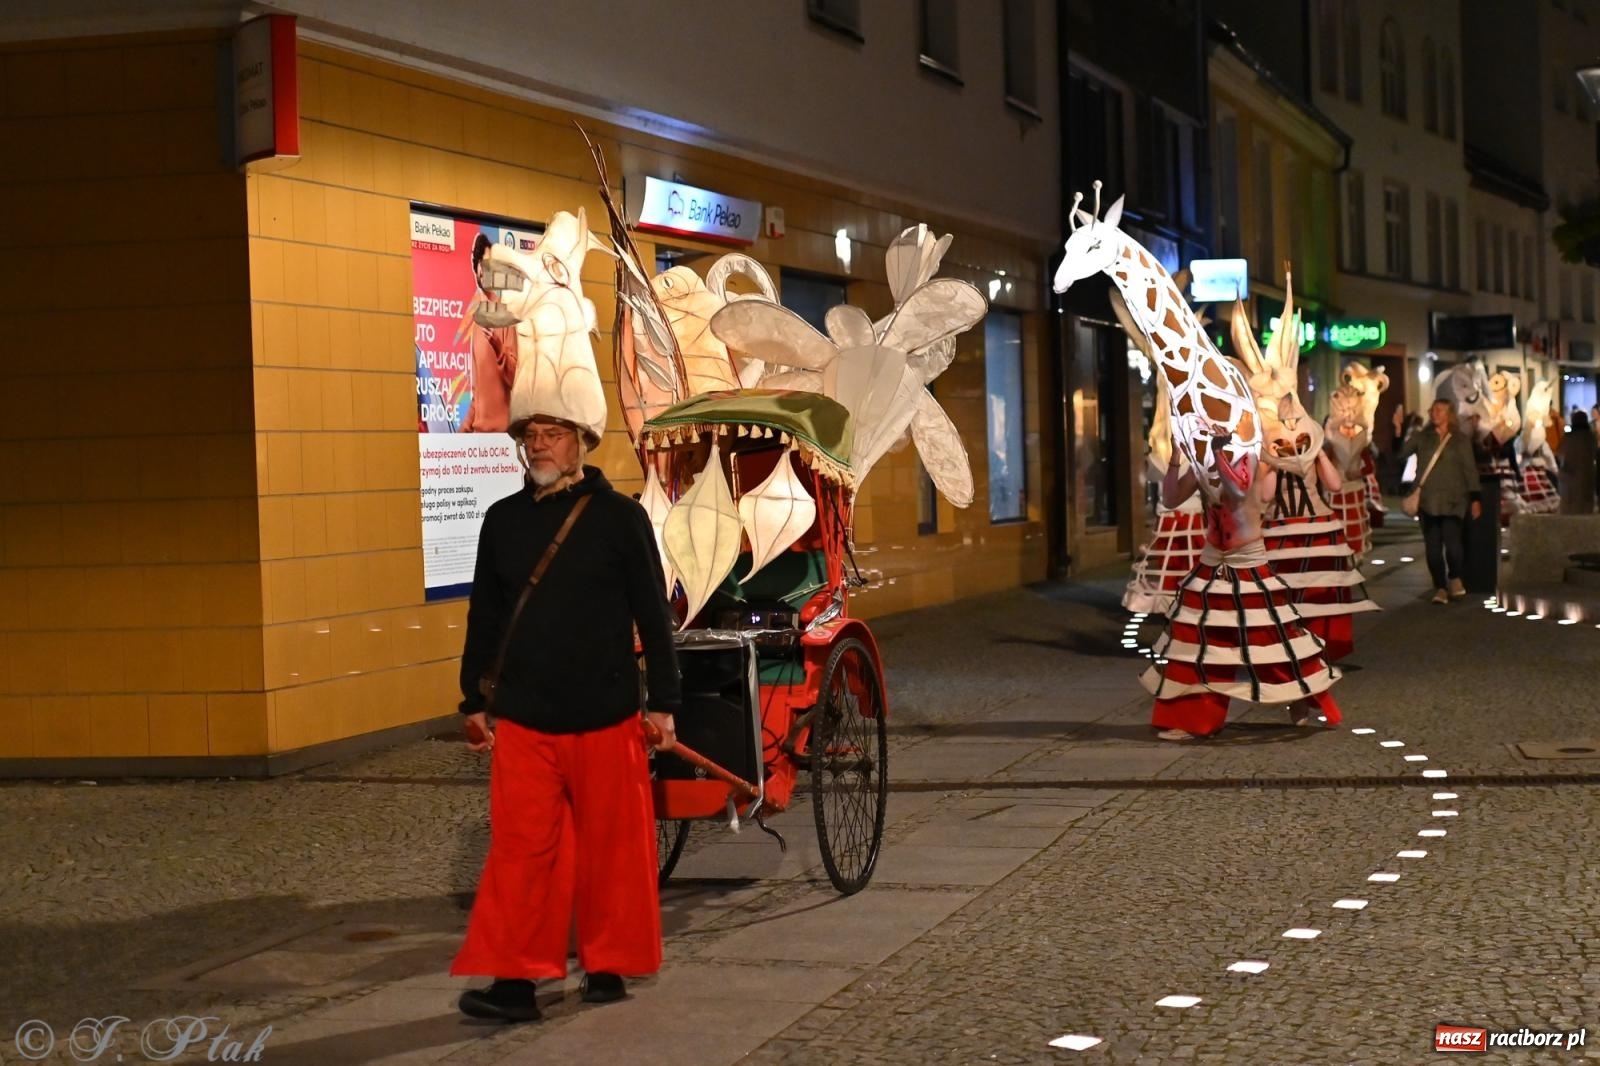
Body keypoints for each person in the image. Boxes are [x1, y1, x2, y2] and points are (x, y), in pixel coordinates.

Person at [450, 217, 682, 1023]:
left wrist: (663, 701)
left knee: (614, 856)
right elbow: (485, 611)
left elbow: (653, 614)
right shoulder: (500, 524)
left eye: (551, 430)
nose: (538, 442)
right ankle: (517, 979)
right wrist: (470, 698)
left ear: (581, 437)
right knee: (522, 855)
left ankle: (610, 965)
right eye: (528, 431)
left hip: (608, 713)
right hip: (526, 719)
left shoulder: (619, 522)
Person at [1397, 399, 1482, 604]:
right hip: (1428, 500)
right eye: (1432, 410)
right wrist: (1399, 430)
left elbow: (1470, 469)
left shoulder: (1460, 439)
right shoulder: (1423, 437)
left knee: (1453, 547)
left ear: (1449, 413)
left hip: (1454, 500)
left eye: (1439, 410)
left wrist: (1475, 498)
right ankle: (1440, 587)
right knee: (1433, 549)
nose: (1434, 413)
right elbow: (1401, 454)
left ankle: (1454, 577)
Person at [1558, 410, 1597, 514]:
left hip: (1570, 478)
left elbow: (1561, 453)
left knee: (1571, 508)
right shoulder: (1590, 437)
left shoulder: (1568, 437)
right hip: (1587, 477)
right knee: (1585, 507)